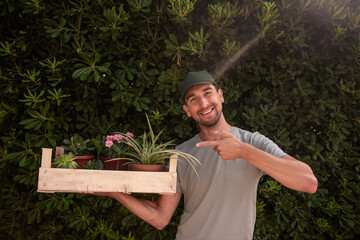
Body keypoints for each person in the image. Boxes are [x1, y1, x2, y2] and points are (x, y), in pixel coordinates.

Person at [89, 71, 318, 240]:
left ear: (220, 96)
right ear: (187, 111)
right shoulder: (181, 154)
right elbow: (160, 218)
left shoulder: (252, 142)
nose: (204, 103)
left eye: (208, 93)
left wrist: (244, 151)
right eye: (193, 99)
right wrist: (115, 192)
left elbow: (308, 182)